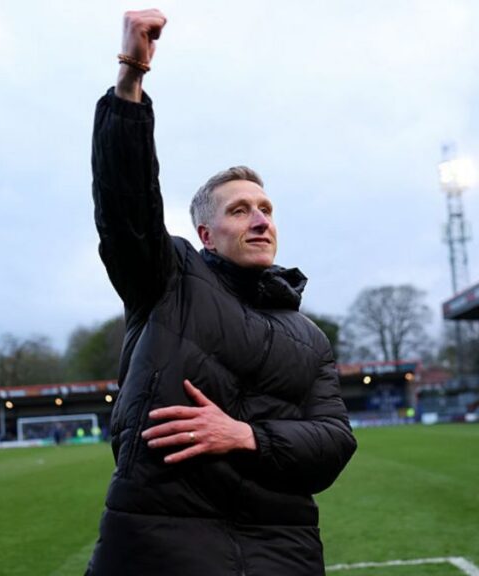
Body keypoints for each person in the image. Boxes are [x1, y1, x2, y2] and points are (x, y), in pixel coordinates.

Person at [86, 10, 357, 576]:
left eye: (266, 209)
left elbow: (334, 443)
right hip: (160, 549)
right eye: (240, 210)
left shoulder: (310, 338)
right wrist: (131, 77)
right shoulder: (168, 278)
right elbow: (126, 206)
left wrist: (244, 436)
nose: (260, 220)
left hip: (283, 552)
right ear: (206, 234)